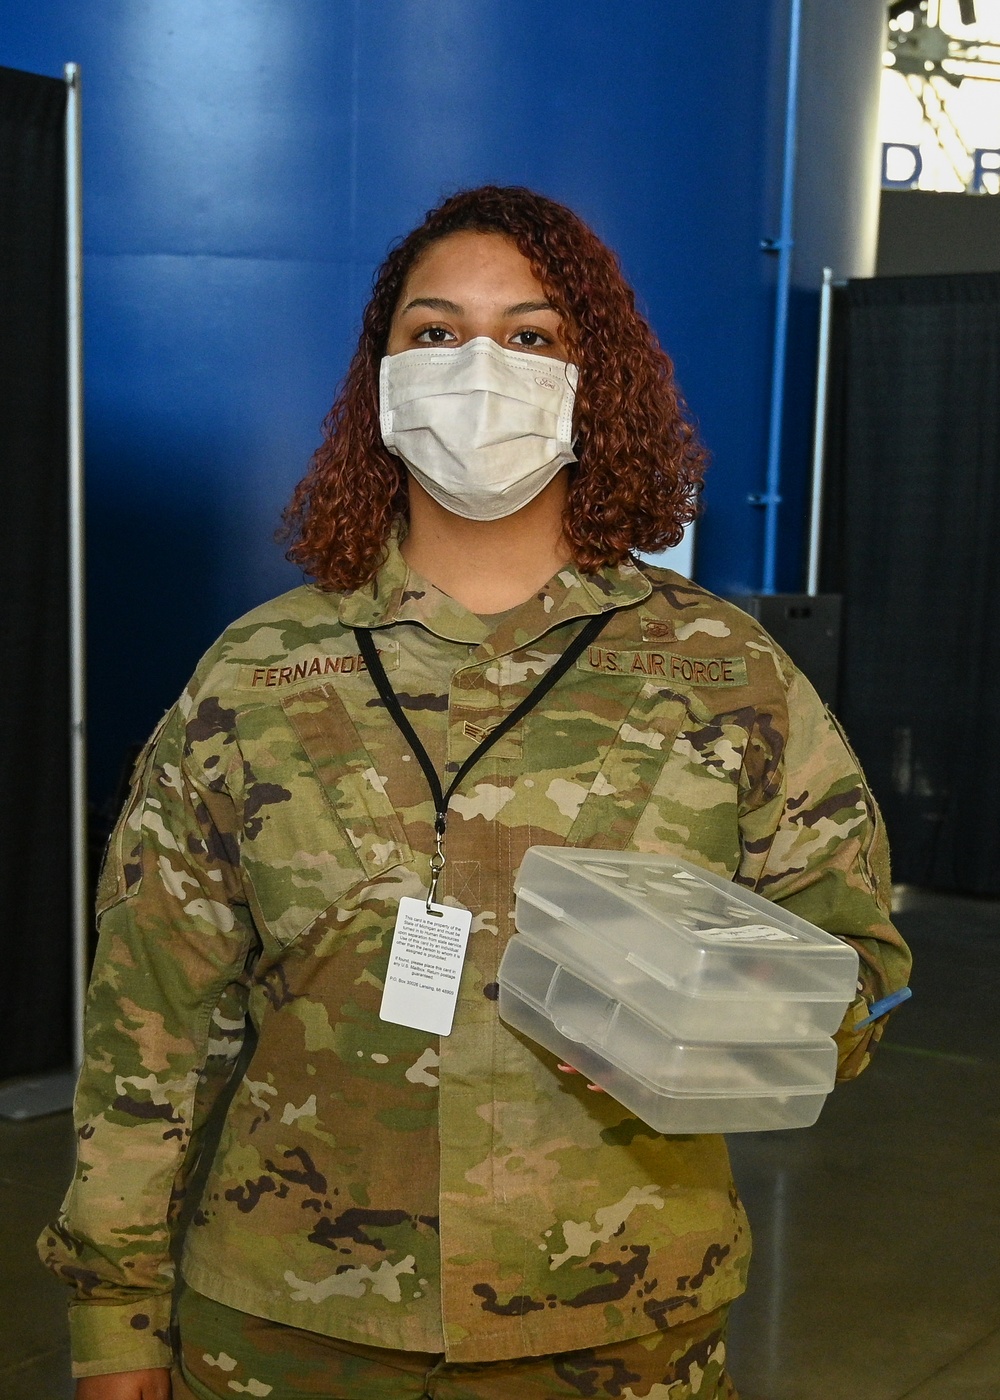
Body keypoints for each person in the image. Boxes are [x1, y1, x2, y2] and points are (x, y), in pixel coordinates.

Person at [41, 185, 911, 1400]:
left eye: (533, 335)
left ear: (589, 378)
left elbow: (857, 954)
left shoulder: (724, 672)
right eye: (435, 332)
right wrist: (116, 1318)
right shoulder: (254, 675)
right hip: (290, 1327)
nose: (478, 367)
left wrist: (736, 1026)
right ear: (381, 379)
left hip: (619, 1324)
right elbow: (152, 1023)